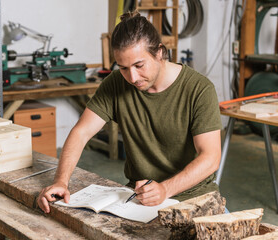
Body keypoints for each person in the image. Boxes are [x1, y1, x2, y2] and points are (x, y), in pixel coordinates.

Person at [38, 11, 222, 213]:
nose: (133, 77)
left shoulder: (199, 89)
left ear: (159, 52)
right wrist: (60, 182)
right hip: (138, 198)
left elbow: (211, 157)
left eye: (139, 65)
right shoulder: (116, 83)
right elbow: (81, 133)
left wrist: (165, 189)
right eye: (124, 68)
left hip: (193, 197)